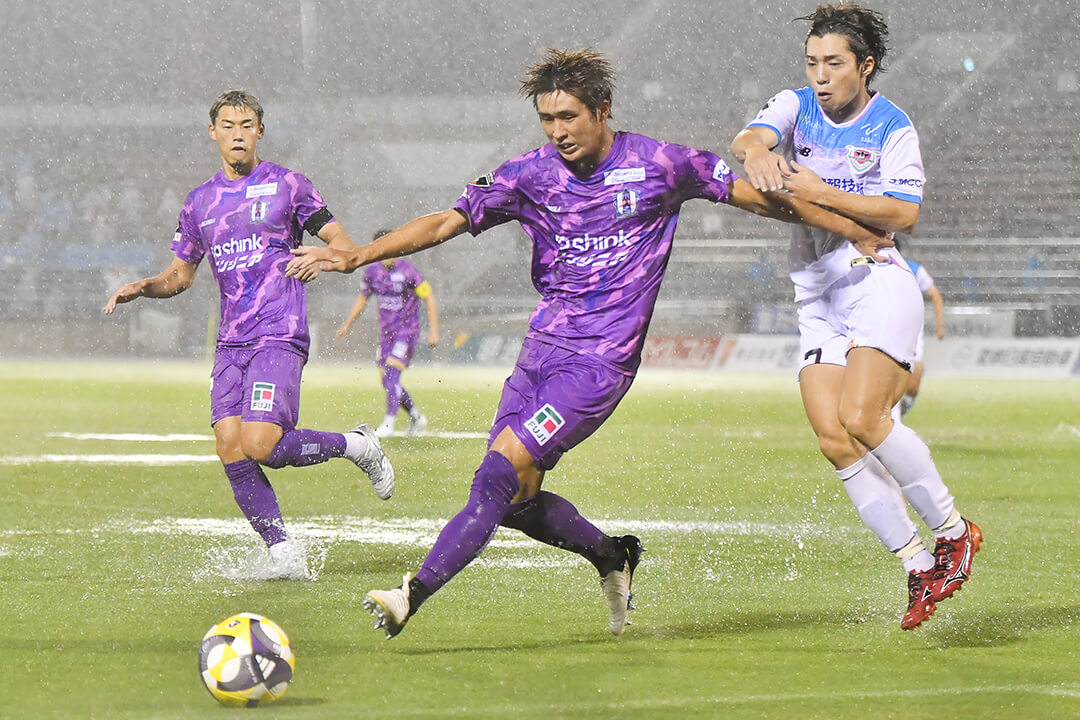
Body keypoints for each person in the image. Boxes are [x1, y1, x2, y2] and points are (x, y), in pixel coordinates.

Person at [287, 49, 889, 638]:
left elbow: (760, 199)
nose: (557, 132)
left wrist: (853, 227)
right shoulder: (529, 175)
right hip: (539, 354)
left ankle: (409, 596)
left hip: (597, 365)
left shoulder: (660, 164)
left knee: (497, 476)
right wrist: (361, 253)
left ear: (602, 110)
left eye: (568, 117)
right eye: (547, 120)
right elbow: (449, 219)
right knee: (515, 500)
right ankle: (611, 555)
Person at [730, 3, 981, 630]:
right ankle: (920, 565)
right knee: (835, 437)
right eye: (813, 62)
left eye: (834, 63)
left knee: (863, 417)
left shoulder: (893, 126)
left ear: (865, 66)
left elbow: (902, 215)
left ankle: (954, 531)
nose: (820, 75)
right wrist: (755, 152)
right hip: (816, 296)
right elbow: (747, 139)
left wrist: (817, 190)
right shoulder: (795, 105)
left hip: (875, 281)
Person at [103, 90, 395, 580]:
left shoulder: (288, 185)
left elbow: (343, 246)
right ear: (212, 132)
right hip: (231, 341)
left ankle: (357, 445)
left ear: (260, 131)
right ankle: (283, 552)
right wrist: (145, 287)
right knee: (231, 448)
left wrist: (319, 257)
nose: (237, 133)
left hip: (278, 332)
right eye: (228, 124)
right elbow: (181, 275)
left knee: (262, 444)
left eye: (247, 124)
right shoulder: (200, 203)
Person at [336, 230, 439, 437]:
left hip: (406, 332)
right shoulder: (372, 272)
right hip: (386, 336)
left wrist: (434, 331)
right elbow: (362, 298)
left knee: (392, 374)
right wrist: (347, 324)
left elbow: (429, 297)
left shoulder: (409, 271)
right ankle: (417, 417)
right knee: (387, 381)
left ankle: (388, 424)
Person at [891, 237, 945, 418]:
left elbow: (935, 294)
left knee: (912, 386)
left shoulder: (914, 270)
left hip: (913, 332)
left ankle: (900, 413)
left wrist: (939, 323)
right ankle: (891, 420)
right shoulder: (876, 268)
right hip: (888, 330)